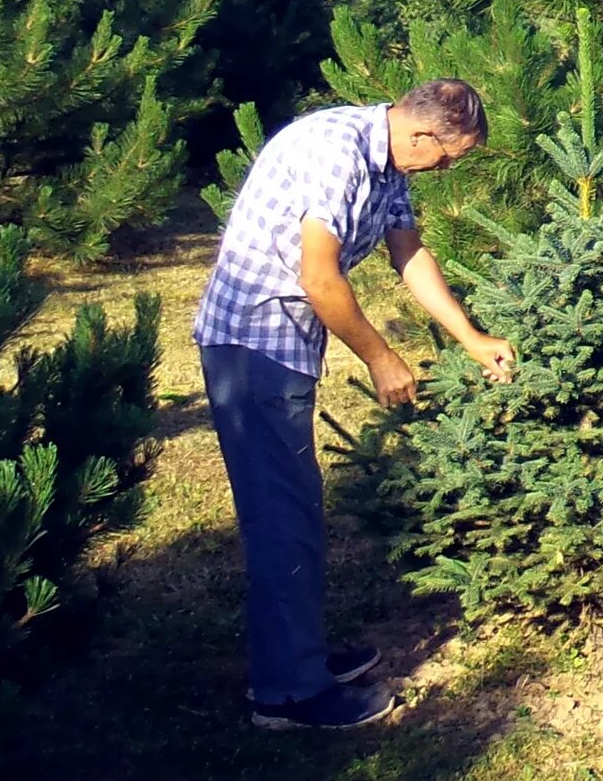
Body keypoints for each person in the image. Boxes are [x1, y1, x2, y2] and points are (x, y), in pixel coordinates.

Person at [191, 79, 516, 730]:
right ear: (422, 133)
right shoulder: (336, 153)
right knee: (282, 516)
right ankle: (289, 695)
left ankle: (298, 656)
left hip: (281, 342)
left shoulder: (388, 160)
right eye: (448, 156)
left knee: (296, 507)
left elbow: (409, 253)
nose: (448, 168)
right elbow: (319, 276)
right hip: (252, 344)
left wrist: (472, 339)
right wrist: (380, 356)